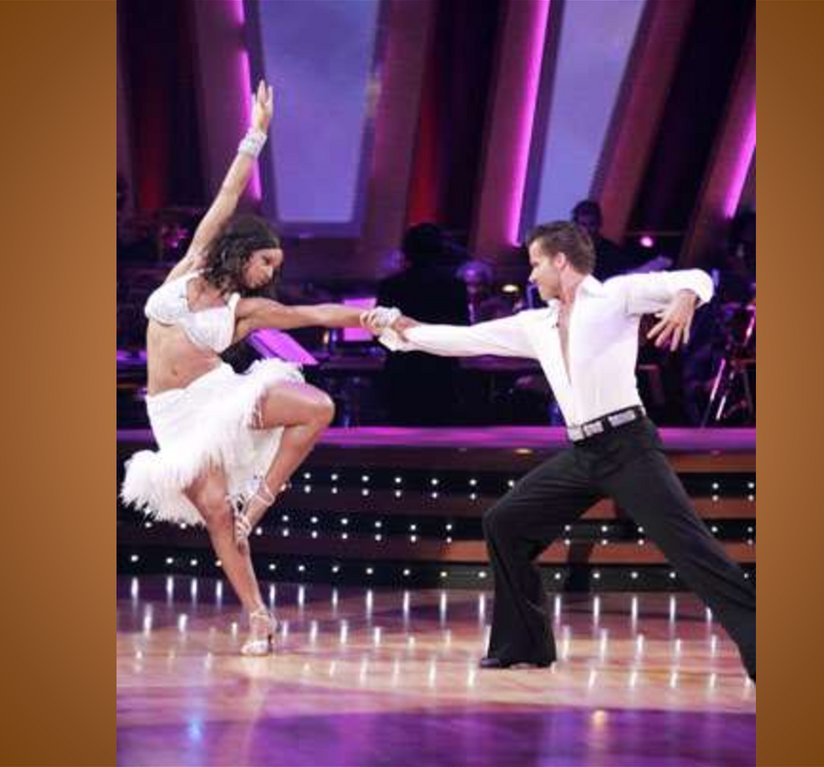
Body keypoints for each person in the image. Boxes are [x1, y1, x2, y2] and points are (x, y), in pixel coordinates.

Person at [370, 221, 756, 680]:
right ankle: (524, 643)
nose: (531, 275)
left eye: (536, 264)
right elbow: (461, 340)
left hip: (628, 445)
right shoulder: (538, 324)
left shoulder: (617, 296)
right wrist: (400, 327)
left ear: (560, 260)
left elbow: (695, 278)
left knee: (691, 548)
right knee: (505, 522)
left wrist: (685, 298)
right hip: (582, 453)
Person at [121, 82, 390, 655]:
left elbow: (314, 313)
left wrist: (374, 317)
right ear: (242, 253)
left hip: (220, 397)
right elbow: (227, 193)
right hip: (174, 416)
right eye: (267, 261)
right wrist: (256, 133)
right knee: (217, 514)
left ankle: (261, 502)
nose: (271, 273)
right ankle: (259, 618)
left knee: (317, 406)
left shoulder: (246, 312)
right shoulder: (190, 266)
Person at [376, 223, 469, 425]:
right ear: (440, 249)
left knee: (399, 437)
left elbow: (379, 332)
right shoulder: (455, 286)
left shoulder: (390, 286)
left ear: (406, 251)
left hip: (400, 374)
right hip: (442, 375)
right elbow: (462, 331)